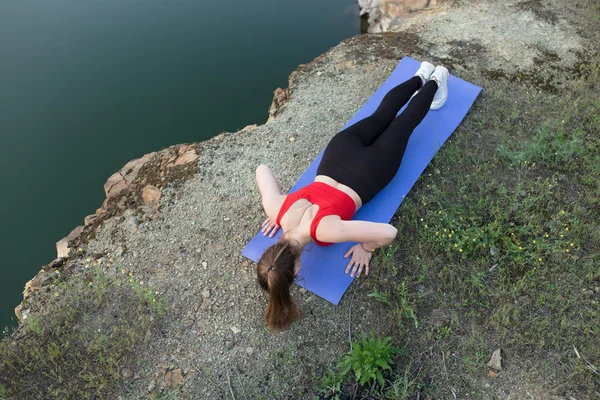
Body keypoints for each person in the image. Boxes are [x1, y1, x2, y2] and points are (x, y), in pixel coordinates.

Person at [255, 62, 449, 330]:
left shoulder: (326, 231)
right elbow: (262, 169)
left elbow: (388, 233)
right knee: (383, 114)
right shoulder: (276, 208)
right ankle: (421, 75)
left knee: (404, 123)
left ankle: (438, 80)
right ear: (270, 247)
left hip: (371, 169)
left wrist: (365, 248)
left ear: (297, 270)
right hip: (339, 152)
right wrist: (278, 207)